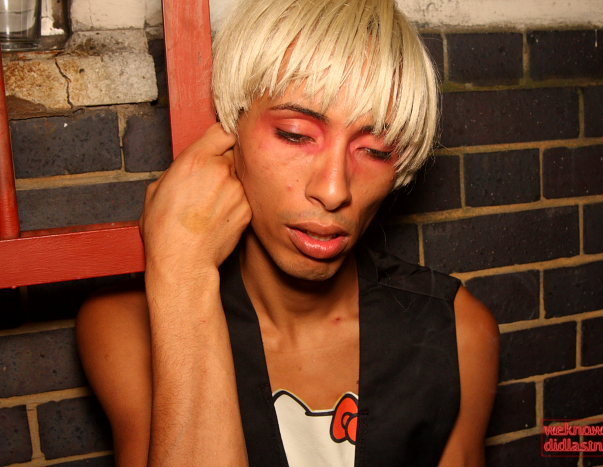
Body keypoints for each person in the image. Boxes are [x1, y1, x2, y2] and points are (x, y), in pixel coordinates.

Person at [76, 0, 499, 466]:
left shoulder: (456, 329)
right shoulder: (127, 327)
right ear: (229, 129)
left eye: (376, 150)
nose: (334, 190)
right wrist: (182, 274)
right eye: (296, 134)